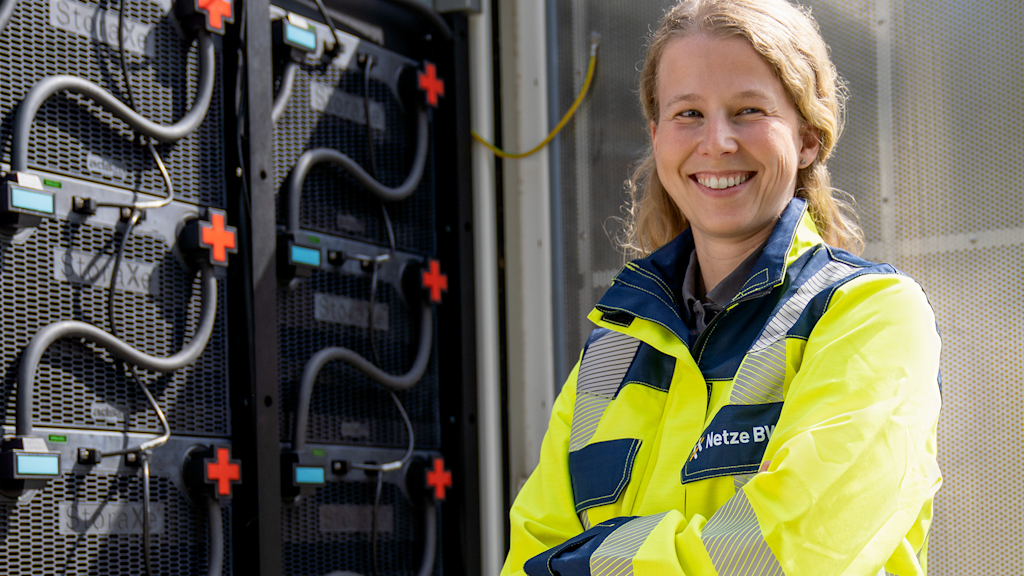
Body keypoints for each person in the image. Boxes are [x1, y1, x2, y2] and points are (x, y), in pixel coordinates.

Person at [500, 0, 942, 574]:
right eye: (688, 115)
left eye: (748, 110)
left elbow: (790, 556)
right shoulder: (612, 348)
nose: (718, 142)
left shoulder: (872, 317)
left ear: (808, 136)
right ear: (657, 137)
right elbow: (527, 554)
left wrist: (591, 561)